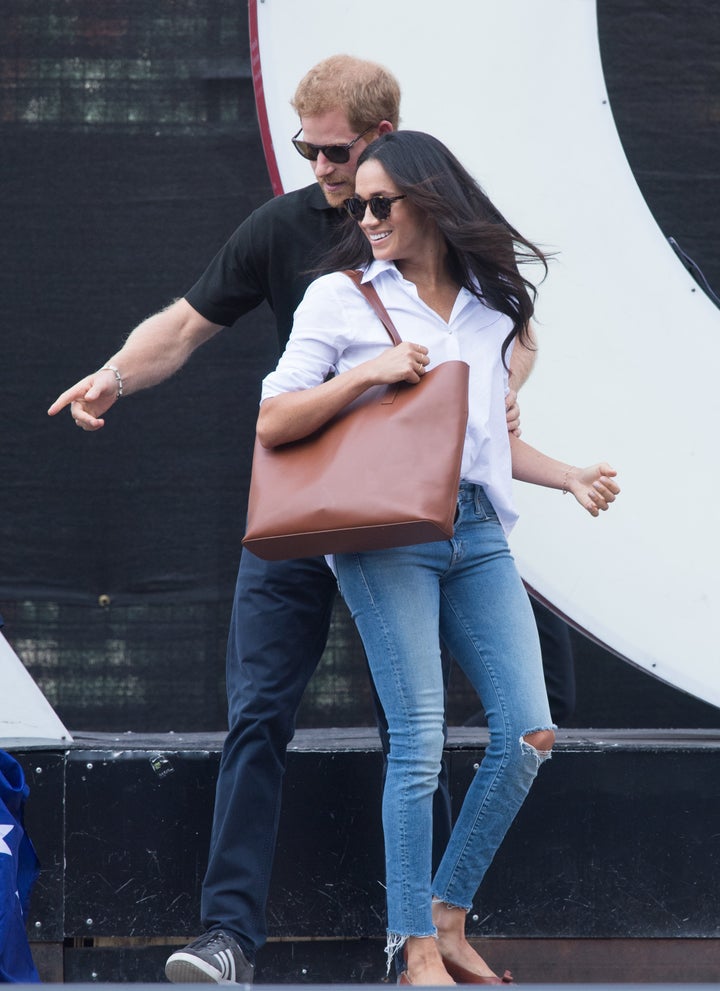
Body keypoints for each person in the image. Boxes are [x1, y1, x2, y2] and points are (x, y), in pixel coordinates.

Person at [46, 55, 534, 984]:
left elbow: (511, 326)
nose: (318, 166)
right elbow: (187, 326)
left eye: (335, 151)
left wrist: (502, 398)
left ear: (385, 139)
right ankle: (230, 936)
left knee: (419, 726)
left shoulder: (434, 222)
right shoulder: (286, 228)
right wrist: (112, 373)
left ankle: (416, 942)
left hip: (409, 515)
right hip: (312, 506)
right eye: (307, 148)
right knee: (259, 712)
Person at [257, 130, 620, 985]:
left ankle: (448, 914)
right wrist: (368, 374)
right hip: (386, 539)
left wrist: (566, 474)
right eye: (360, 205)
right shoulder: (340, 301)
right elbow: (274, 421)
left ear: (430, 203)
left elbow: (481, 443)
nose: (368, 217)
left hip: (478, 529)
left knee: (529, 730)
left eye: (383, 203)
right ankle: (410, 944)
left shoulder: (489, 309)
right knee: (419, 740)